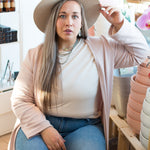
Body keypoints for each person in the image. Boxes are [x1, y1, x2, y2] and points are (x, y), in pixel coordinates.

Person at [8, 0, 149, 150]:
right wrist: (44, 128)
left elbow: (142, 53)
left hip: (85, 126)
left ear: (82, 22)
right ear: (53, 21)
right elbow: (20, 99)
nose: (69, 22)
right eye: (62, 16)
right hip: (41, 121)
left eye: (75, 16)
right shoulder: (35, 55)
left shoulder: (102, 49)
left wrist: (120, 22)